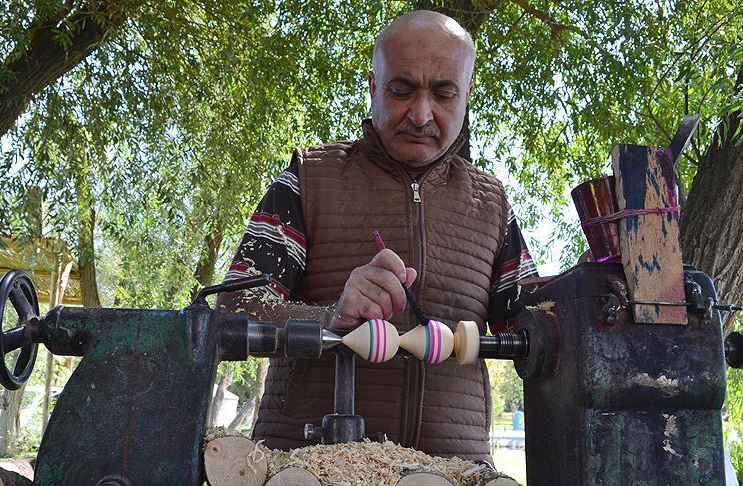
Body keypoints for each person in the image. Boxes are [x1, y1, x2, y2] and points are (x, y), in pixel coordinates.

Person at [218, 10, 537, 464]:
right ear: (372, 88)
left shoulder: (492, 205)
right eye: (402, 90)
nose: (421, 113)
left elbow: (533, 333)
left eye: (443, 93)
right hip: (308, 468)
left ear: (466, 96)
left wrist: (581, 292)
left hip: (456, 470)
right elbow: (234, 313)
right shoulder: (307, 179)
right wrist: (331, 315)